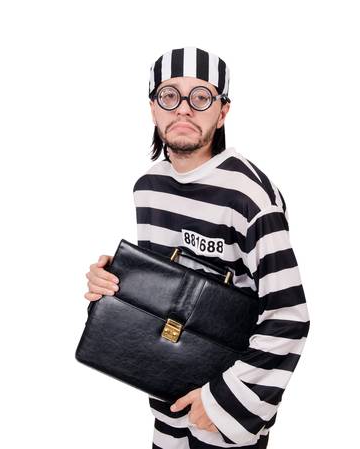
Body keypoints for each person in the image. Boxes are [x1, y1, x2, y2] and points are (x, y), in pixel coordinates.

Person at [82, 47, 311, 448]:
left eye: (200, 97)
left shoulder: (250, 197)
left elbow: (289, 316)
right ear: (153, 108)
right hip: (164, 389)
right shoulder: (148, 188)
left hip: (227, 409)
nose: (183, 109)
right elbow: (169, 297)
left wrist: (219, 400)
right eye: (170, 96)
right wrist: (114, 287)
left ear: (222, 112)